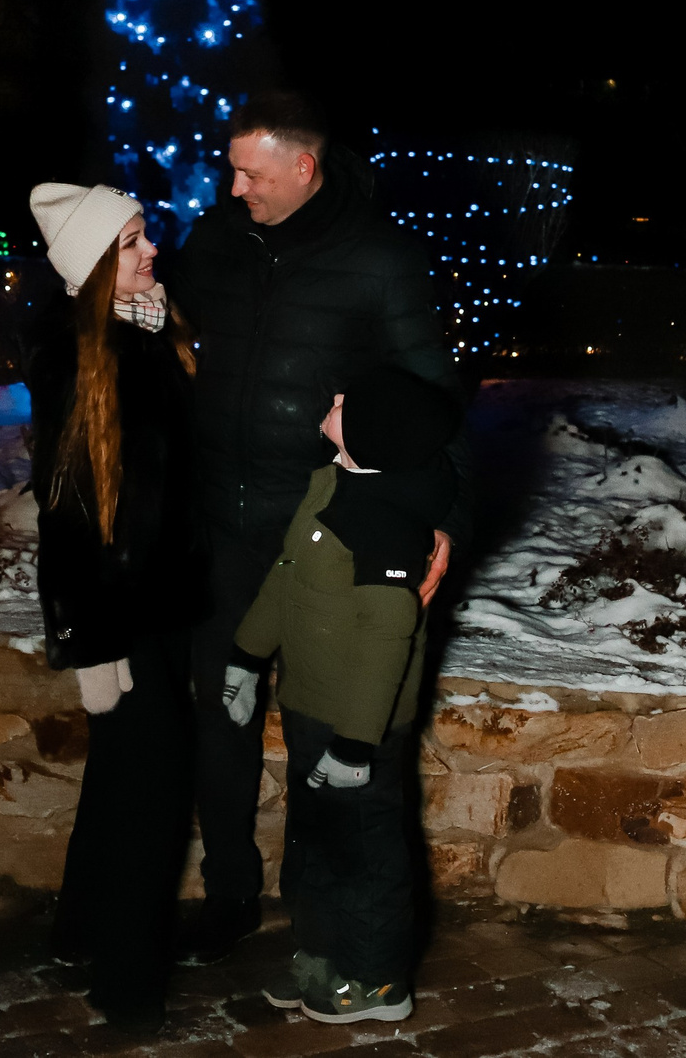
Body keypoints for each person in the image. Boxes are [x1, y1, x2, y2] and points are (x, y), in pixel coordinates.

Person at [162, 90, 466, 965]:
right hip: (222, 527)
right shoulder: (218, 242)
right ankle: (229, 892)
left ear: (304, 167)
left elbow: (434, 399)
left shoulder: (382, 260)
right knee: (218, 716)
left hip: (325, 535)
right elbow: (169, 333)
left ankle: (323, 921)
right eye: (230, 169)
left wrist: (441, 520)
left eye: (250, 173)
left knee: (321, 732)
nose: (233, 187)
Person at [222, 367, 460, 1024]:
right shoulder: (333, 483)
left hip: (359, 723)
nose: (331, 401)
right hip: (309, 703)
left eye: (345, 402)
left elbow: (387, 640)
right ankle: (322, 956)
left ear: (372, 433)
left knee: (364, 853)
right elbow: (287, 575)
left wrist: (356, 745)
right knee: (315, 846)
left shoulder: (384, 524)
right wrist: (247, 655)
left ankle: (378, 980)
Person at [24, 181, 202, 1032]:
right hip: (118, 617)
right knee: (151, 796)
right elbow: (64, 515)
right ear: (94, 264)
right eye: (131, 242)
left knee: (121, 778)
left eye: (145, 235)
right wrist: (89, 643)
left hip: (164, 603)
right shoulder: (79, 356)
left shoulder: (150, 332)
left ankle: (81, 929)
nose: (151, 249)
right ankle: (127, 985)